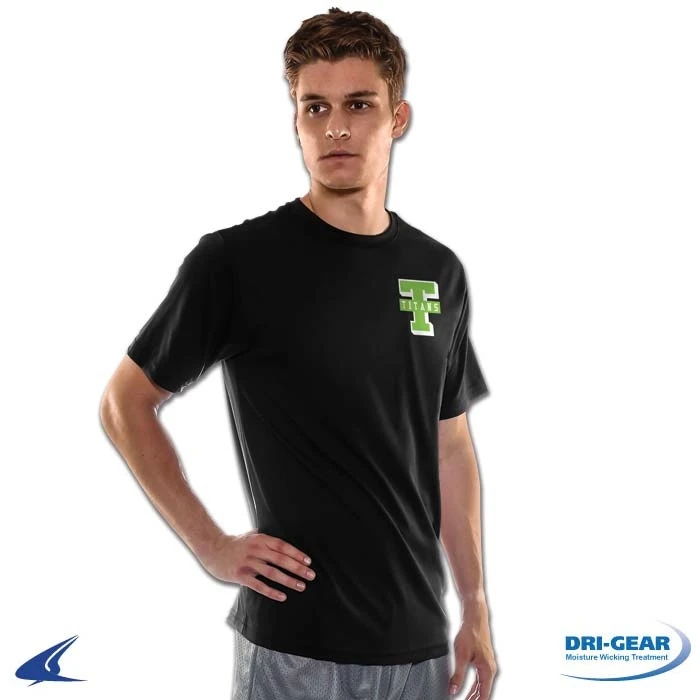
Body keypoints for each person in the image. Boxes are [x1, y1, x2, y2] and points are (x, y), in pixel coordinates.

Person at [100, 7, 497, 700]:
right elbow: (124, 404)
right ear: (297, 121)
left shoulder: (437, 271)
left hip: (420, 649)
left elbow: (452, 447)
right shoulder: (236, 262)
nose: (336, 127)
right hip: (294, 646)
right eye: (316, 107)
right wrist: (210, 544)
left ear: (397, 118)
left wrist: (477, 605)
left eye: (359, 105)